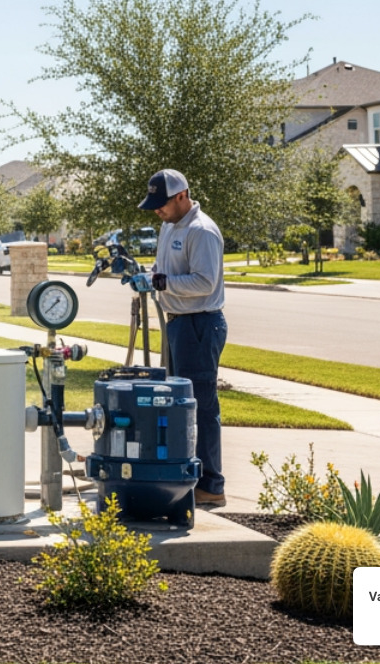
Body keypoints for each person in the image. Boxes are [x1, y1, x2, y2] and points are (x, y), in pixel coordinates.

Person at [140, 168, 228, 508]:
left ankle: (212, 485)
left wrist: (162, 283)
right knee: (181, 404)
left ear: (182, 196)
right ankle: (188, 475)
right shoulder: (169, 226)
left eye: (162, 204)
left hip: (199, 325)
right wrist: (148, 276)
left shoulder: (201, 230)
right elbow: (166, 271)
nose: (157, 210)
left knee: (201, 406)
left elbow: (205, 282)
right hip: (179, 323)